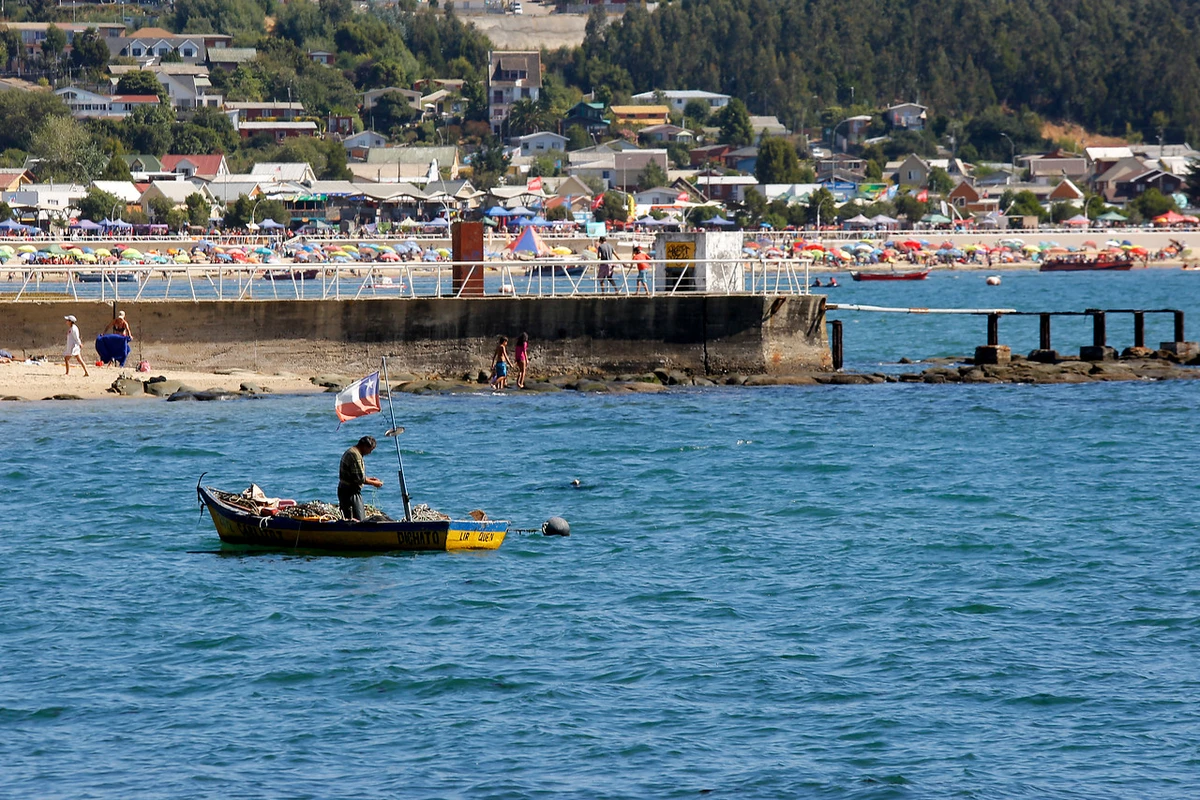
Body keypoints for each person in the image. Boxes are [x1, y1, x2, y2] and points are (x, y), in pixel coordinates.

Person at [338, 436, 383, 522]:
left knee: (350, 517)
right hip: (350, 492)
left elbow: (354, 475)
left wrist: (370, 479)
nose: (370, 453)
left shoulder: (352, 451)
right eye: (370, 450)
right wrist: (375, 483)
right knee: (358, 520)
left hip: (345, 490)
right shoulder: (355, 456)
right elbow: (359, 479)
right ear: (365, 446)